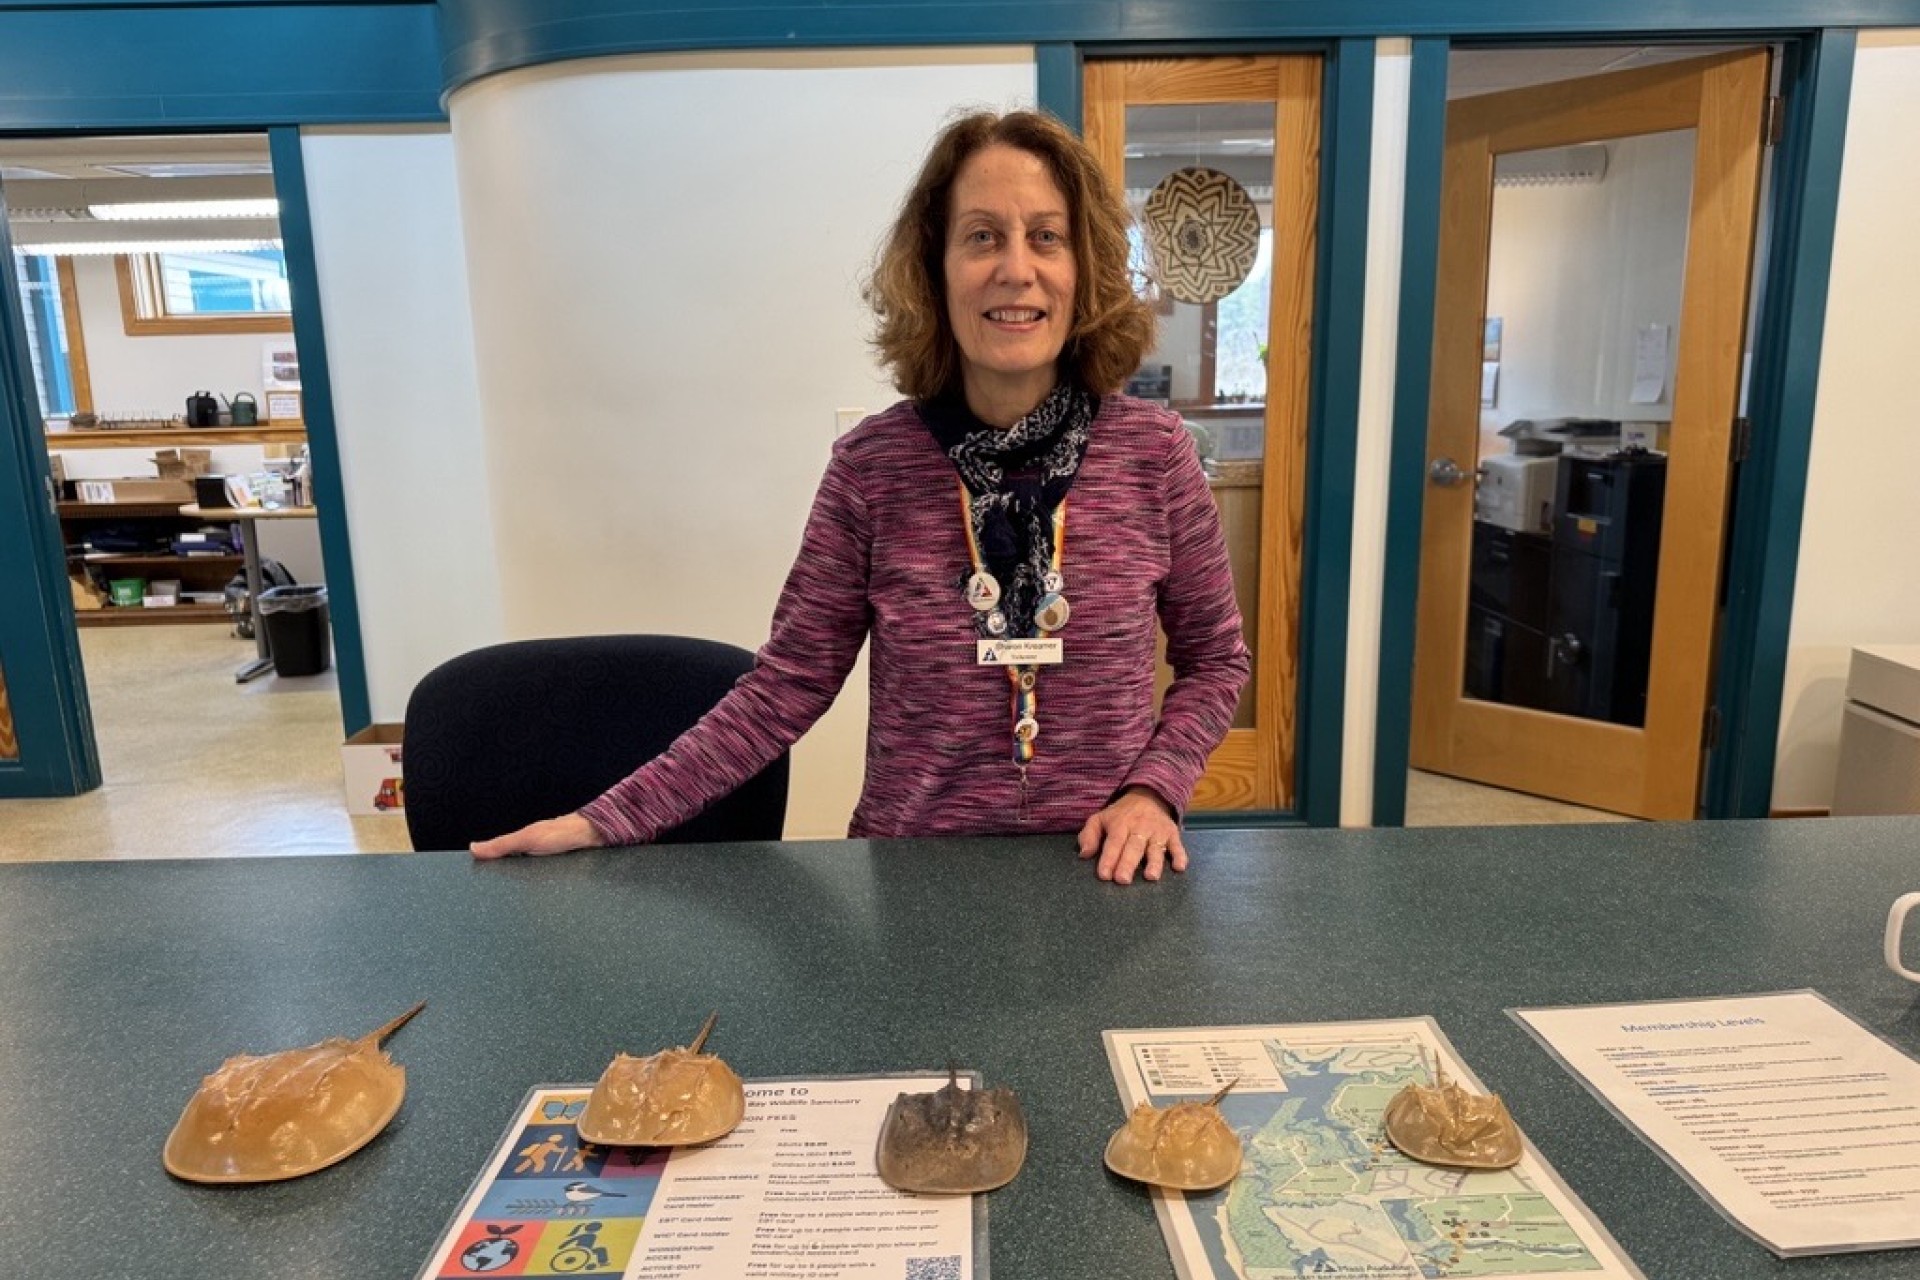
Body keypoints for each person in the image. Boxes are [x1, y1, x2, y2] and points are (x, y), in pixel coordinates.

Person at [473, 109, 1251, 885]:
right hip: (913, 887)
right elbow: (785, 687)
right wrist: (603, 819)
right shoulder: (871, 470)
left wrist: (1156, 788)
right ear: (934, 268)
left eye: (1047, 236)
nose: (1017, 268)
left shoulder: (1155, 456)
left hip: (1102, 874)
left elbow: (1216, 661)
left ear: (1085, 269)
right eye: (982, 236)